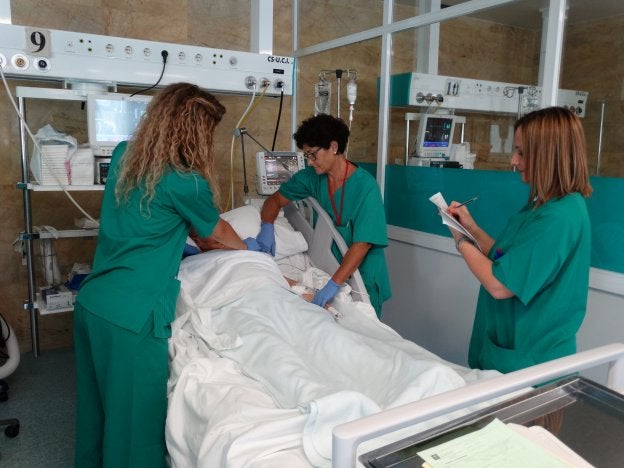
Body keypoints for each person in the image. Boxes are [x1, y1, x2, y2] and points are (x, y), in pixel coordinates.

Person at [73, 83, 260, 467]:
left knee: (96, 415)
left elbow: (152, 216)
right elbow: (215, 235)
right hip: (133, 319)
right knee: (134, 430)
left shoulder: (124, 155)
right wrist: (255, 257)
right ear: (196, 132)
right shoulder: (186, 182)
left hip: (93, 305)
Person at [447, 106, 592, 373]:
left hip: (533, 363)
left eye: (522, 152)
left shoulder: (559, 217)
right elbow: (506, 259)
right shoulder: (541, 206)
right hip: (511, 353)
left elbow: (500, 284)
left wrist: (460, 241)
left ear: (548, 154)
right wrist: (471, 228)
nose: (514, 161)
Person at [256, 113, 391, 317]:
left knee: (364, 326)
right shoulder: (312, 178)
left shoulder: (366, 187)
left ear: (333, 147)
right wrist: (267, 225)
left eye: (312, 154)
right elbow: (274, 201)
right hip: (327, 267)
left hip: (362, 275)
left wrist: (333, 285)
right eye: (306, 156)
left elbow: (362, 244)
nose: (309, 162)